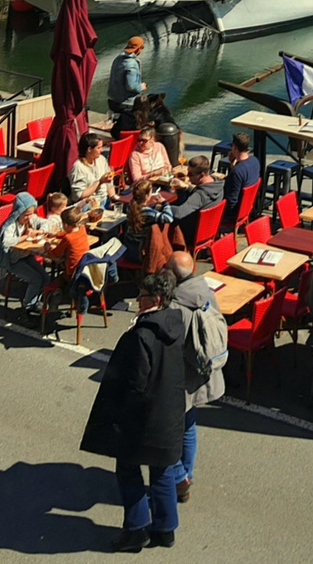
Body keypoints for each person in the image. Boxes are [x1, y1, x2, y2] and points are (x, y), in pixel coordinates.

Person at [80, 269, 186, 552]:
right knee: (162, 472)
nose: (138, 301)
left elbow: (134, 383)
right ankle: (165, 528)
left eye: (143, 297)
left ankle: (136, 529)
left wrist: (117, 415)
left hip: (144, 419)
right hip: (169, 413)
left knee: (127, 470)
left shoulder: (140, 335)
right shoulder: (175, 324)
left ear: (157, 299)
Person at [165, 251, 226, 504]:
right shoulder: (205, 292)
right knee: (189, 425)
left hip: (181, 377)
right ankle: (186, 473)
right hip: (203, 374)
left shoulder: (175, 305)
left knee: (168, 430)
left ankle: (179, 478)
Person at [0, 192, 46, 316]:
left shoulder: (30, 218)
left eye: (31, 214)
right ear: (19, 212)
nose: (29, 217)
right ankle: (28, 307)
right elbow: (6, 242)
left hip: (25, 255)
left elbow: (46, 223)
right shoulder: (10, 226)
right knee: (36, 279)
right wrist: (24, 237)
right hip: (12, 260)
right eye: (26, 215)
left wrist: (39, 230)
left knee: (45, 278)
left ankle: (34, 300)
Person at [218, 132, 260, 223]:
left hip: (233, 213)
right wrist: (232, 166)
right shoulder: (255, 161)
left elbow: (232, 201)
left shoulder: (237, 172)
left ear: (234, 148)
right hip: (246, 208)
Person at [108, 37, 146, 134]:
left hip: (113, 99)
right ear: (138, 49)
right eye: (142, 47)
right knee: (129, 129)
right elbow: (131, 86)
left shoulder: (118, 59)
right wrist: (141, 87)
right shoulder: (131, 64)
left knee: (119, 126)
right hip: (126, 104)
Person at [170, 156, 224, 224]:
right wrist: (187, 187)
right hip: (208, 226)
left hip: (192, 230)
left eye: (190, 174)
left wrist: (163, 206)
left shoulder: (199, 195)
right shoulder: (218, 184)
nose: (188, 177)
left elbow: (179, 214)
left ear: (201, 176)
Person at [69, 133, 114, 209]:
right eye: (99, 148)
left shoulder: (101, 159)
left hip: (105, 199)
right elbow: (79, 195)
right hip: (89, 204)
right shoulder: (79, 167)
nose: (102, 150)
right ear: (89, 149)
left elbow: (109, 185)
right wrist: (99, 182)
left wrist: (113, 199)